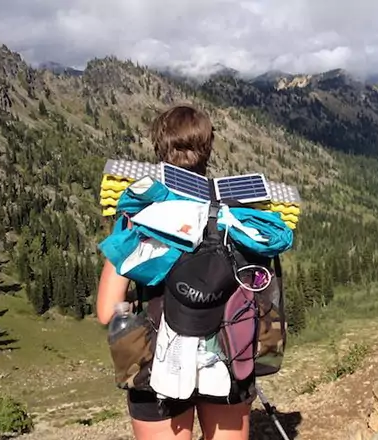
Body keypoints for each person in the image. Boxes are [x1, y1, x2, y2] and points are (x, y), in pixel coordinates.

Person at [96, 104, 252, 440]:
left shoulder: (139, 214)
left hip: (157, 365)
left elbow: (107, 310)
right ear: (208, 148)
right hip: (227, 356)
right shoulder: (237, 213)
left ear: (159, 148)